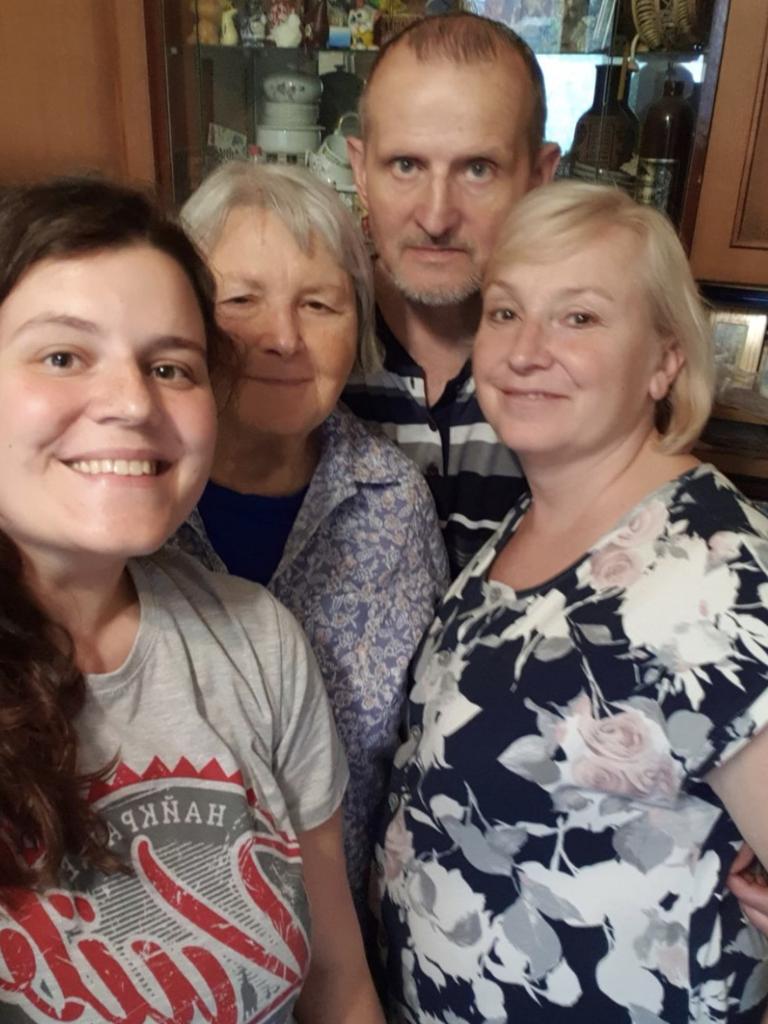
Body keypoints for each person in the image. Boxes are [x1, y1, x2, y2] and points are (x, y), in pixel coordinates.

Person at [375, 182, 768, 1021]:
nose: (524, 351)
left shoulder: (710, 572)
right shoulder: (534, 522)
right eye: (507, 313)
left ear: (665, 358)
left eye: (579, 318)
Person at [0, 177, 384, 1023]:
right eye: (63, 355)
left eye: (170, 366)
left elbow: (339, 983)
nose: (133, 403)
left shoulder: (258, 637)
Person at [173, 161, 448, 925]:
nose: (284, 338)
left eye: (319, 303)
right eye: (241, 300)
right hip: (164, 955)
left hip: (347, 940)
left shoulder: (392, 503)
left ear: (355, 323)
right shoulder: (131, 506)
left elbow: (422, 747)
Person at [344, 12, 560, 576]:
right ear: (360, 171)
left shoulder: (580, 369)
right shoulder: (303, 357)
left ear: (539, 177)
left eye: (478, 169)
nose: (436, 217)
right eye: (406, 165)